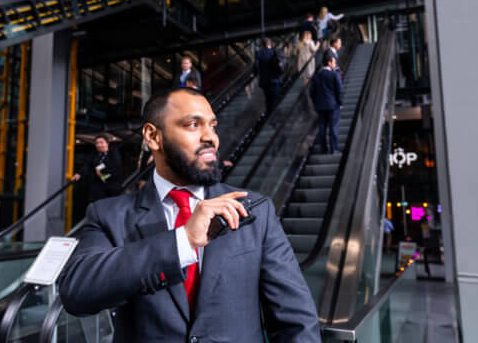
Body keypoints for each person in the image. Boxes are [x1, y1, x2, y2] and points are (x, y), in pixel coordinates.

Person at [58, 87, 320, 342]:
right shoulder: (110, 215)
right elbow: (77, 293)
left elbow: (295, 322)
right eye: (193, 125)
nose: (211, 137)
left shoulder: (255, 210)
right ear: (152, 137)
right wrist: (182, 241)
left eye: (213, 126)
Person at [72, 135, 122, 202]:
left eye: (101, 142)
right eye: (97, 143)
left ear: (107, 143)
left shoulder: (113, 153)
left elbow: (116, 165)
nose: (99, 145)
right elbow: (87, 165)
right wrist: (79, 174)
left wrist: (101, 172)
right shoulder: (93, 154)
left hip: (111, 187)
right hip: (97, 188)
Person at [310, 55, 343, 154]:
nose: (335, 64)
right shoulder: (334, 75)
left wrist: (316, 103)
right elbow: (339, 90)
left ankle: (323, 149)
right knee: (333, 127)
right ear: (329, 63)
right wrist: (340, 102)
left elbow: (311, 92)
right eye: (334, 62)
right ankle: (334, 149)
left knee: (322, 128)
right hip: (333, 106)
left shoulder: (316, 76)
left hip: (320, 107)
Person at [254, 37, 283, 112]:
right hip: (276, 80)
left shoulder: (259, 53)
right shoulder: (275, 52)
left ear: (262, 45)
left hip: (265, 82)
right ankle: (275, 115)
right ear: (270, 44)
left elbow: (256, 67)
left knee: (268, 99)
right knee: (276, 99)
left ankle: (269, 114)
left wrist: (257, 73)